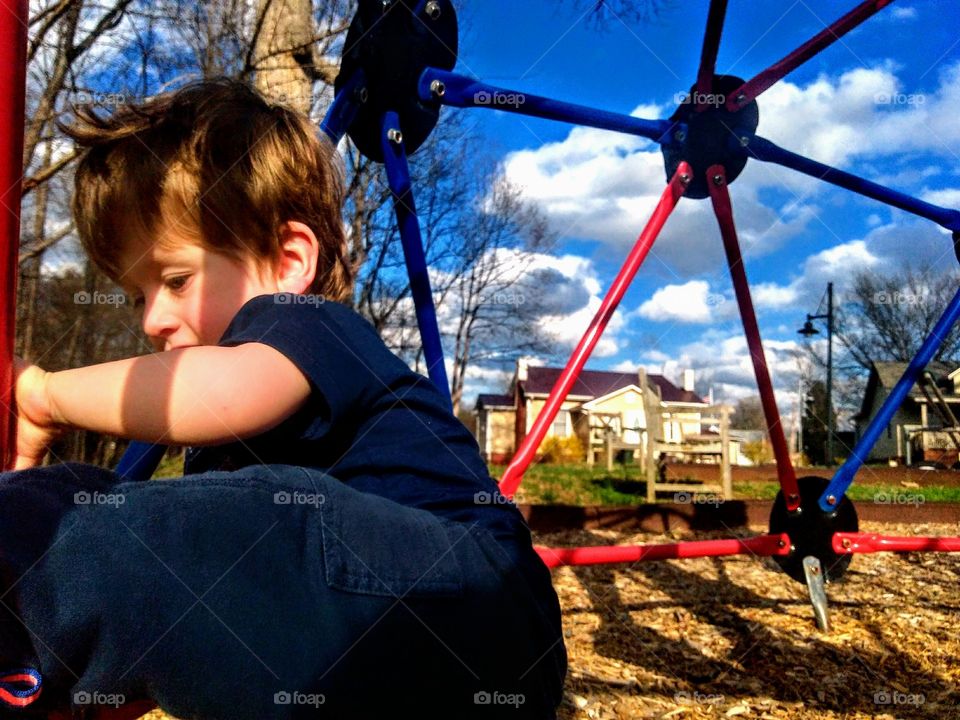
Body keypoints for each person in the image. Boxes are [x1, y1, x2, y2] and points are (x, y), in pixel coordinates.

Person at [1, 79, 566, 719]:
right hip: (370, 652)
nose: (151, 319)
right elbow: (191, 606)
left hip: (477, 605)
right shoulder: (223, 463)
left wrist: (44, 394)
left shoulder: (306, 326)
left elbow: (219, 404)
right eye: (136, 296)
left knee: (144, 526)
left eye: (176, 279)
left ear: (288, 258)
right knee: (109, 515)